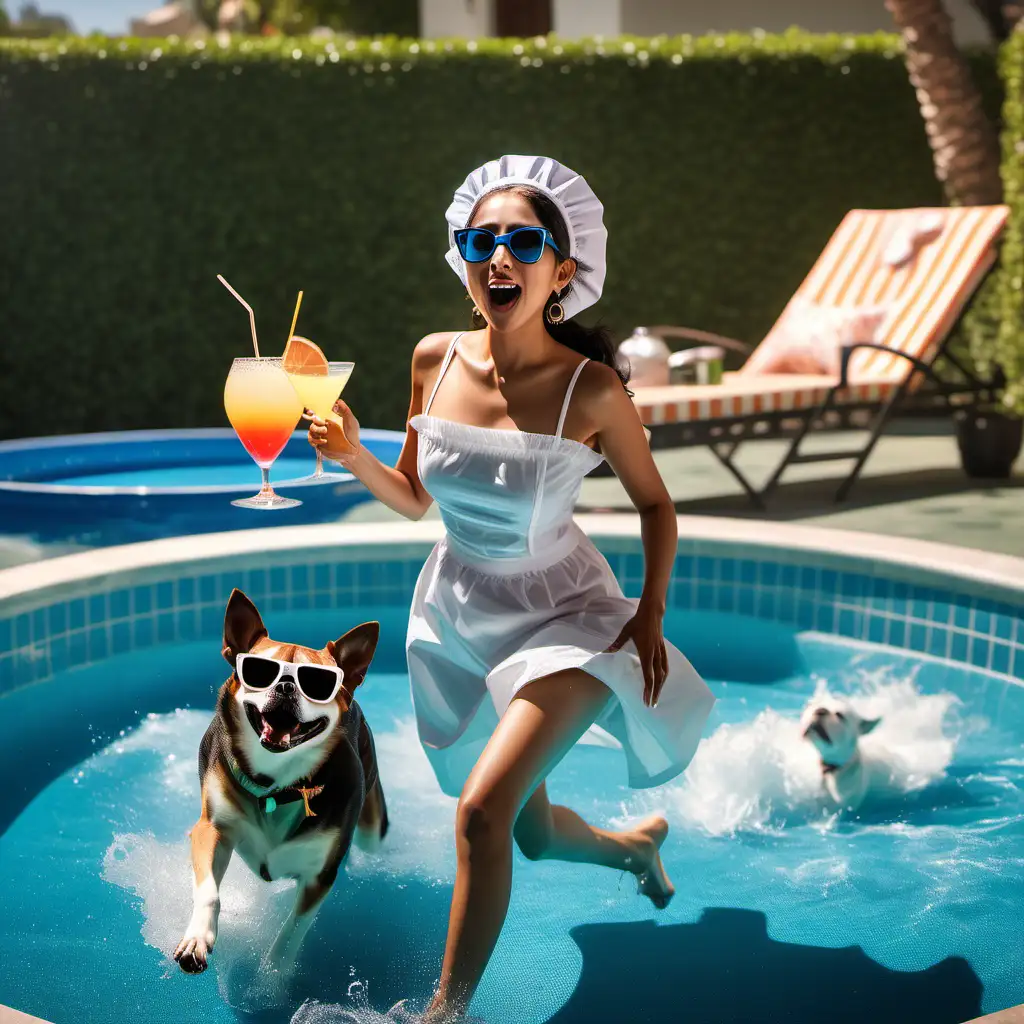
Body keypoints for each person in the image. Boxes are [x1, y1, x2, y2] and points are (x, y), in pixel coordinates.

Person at [308, 155, 716, 1023]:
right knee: (527, 831)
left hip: (566, 617)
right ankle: (636, 849)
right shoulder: (432, 359)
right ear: (463, 263)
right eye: (480, 240)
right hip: (460, 613)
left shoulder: (591, 387)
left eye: (523, 242)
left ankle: (440, 1016)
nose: (499, 255)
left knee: (483, 817)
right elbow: (418, 500)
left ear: (561, 274)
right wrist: (352, 457)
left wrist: (648, 613)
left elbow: (655, 503)